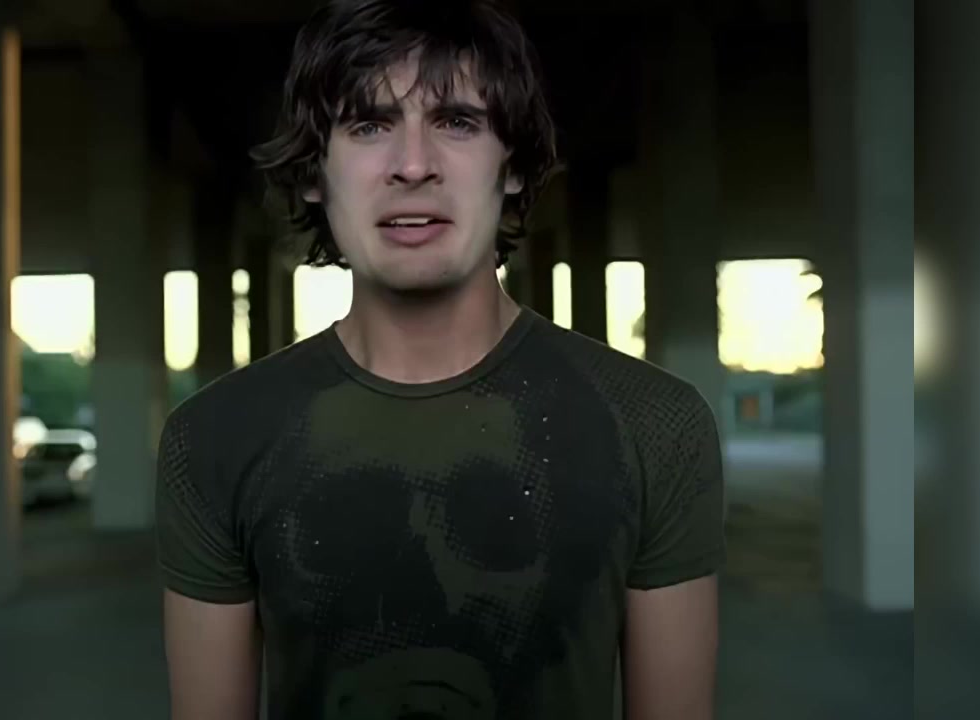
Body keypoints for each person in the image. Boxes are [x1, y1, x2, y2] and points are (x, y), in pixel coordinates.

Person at [156, 1, 724, 718]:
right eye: (368, 125)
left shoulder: (655, 425)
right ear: (313, 174)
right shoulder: (213, 437)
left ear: (511, 165)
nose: (413, 165)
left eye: (456, 121)